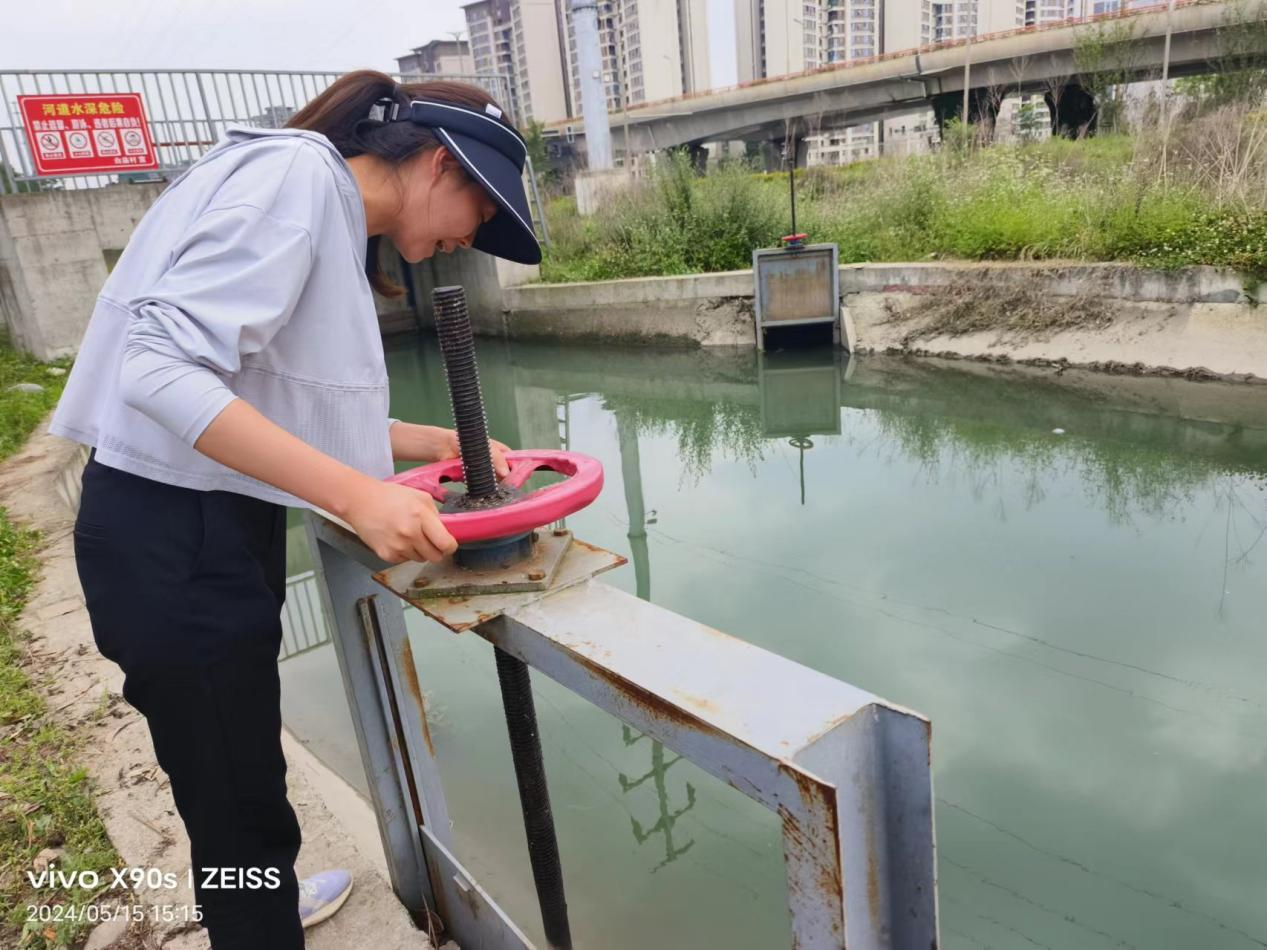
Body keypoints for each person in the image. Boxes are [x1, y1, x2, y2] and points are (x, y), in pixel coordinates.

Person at [49, 69, 541, 948]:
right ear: (439, 163)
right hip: (178, 538)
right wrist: (357, 496)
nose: (474, 236)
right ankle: (256, 914)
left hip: (187, 527)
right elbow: (158, 369)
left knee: (236, 782)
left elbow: (252, 397)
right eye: (483, 210)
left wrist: (422, 441)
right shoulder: (299, 179)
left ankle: (260, 899)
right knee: (239, 808)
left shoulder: (307, 190)